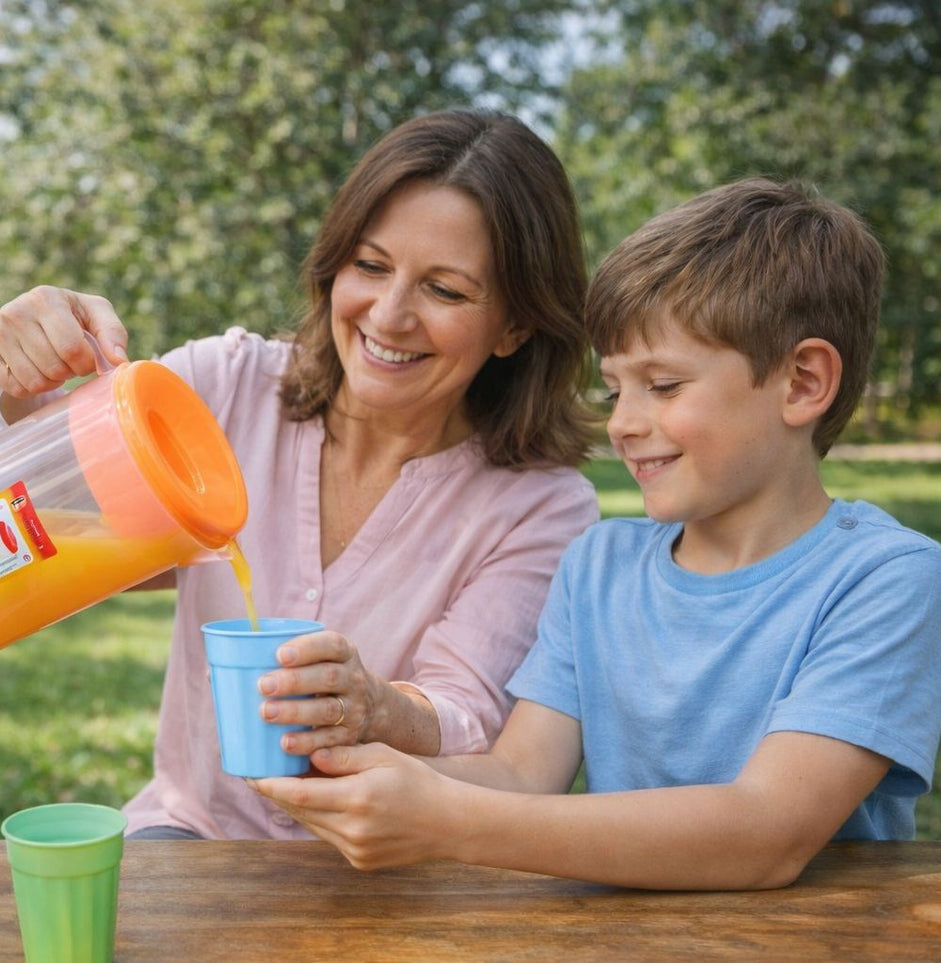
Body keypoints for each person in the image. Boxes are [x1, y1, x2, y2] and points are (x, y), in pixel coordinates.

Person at [254, 177, 941, 888]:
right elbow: (520, 772)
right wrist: (359, 767)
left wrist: (443, 818)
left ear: (801, 382)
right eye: (615, 389)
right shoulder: (599, 568)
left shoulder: (883, 579)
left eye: (664, 386)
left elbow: (765, 831)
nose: (621, 423)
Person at [0, 108, 601, 839]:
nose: (388, 314)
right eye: (370, 266)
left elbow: (466, 713)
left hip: (397, 868)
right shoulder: (225, 388)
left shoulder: (539, 506)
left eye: (444, 290)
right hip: (189, 834)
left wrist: (378, 706)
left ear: (514, 325)